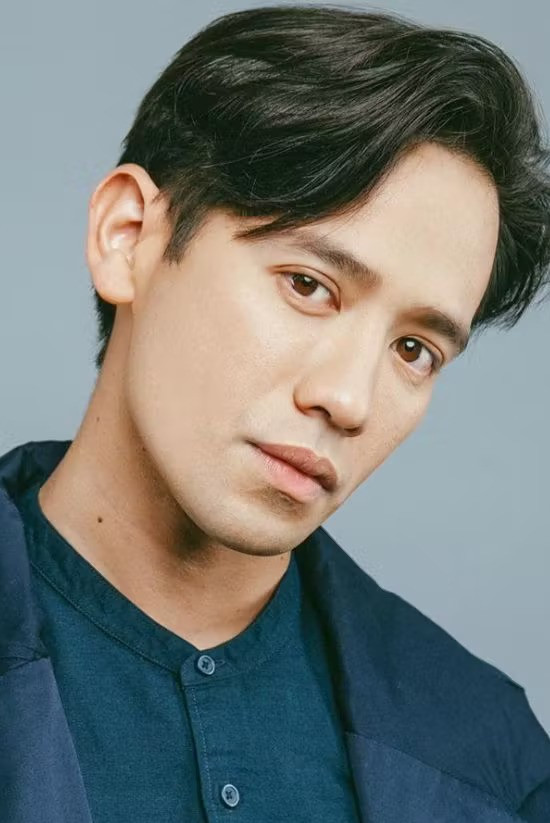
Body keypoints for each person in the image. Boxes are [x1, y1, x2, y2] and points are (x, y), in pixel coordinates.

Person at [1, 4, 549, 821]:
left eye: (414, 349)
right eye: (308, 286)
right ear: (127, 235)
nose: (349, 398)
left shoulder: (492, 760)